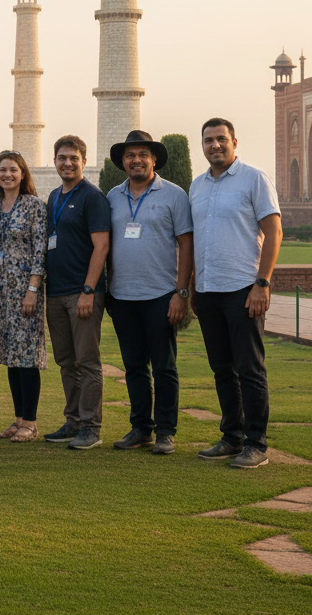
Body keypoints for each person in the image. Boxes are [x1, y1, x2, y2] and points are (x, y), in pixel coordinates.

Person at [190, 118, 282, 469]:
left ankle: (256, 443)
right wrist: (195, 287)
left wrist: (262, 283)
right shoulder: (197, 186)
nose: (215, 145)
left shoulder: (253, 179)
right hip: (209, 290)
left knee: (250, 369)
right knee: (221, 369)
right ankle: (232, 436)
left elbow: (273, 232)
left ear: (234, 142)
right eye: (209, 140)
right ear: (203, 145)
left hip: (244, 288)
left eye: (221, 139)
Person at [105, 131, 193, 456]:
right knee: (134, 367)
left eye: (143, 154)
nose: (136, 160)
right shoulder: (113, 196)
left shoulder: (173, 195)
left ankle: (166, 431)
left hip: (161, 295)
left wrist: (181, 293)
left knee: (164, 367)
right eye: (130, 155)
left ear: (154, 159)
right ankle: (141, 427)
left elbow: (187, 245)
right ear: (123, 162)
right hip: (123, 297)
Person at [42, 136, 111, 450]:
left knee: (87, 361)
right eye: (61, 158)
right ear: (54, 161)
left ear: (83, 161)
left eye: (73, 158)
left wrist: (89, 290)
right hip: (56, 293)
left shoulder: (91, 196)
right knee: (66, 361)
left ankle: (91, 427)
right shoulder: (55, 196)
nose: (67, 163)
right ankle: (73, 421)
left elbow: (102, 246)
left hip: (81, 293)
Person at [0, 151, 48, 442]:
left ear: (23, 174)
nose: (7, 175)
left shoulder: (34, 206)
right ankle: (18, 418)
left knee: (27, 356)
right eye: (2, 170)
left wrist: (32, 290)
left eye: (12, 170)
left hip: (24, 290)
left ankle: (30, 423)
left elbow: (40, 250)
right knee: (11, 355)